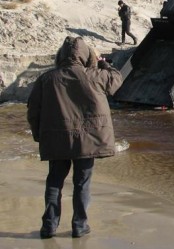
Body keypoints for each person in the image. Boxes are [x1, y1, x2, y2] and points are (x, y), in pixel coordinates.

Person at [27, 36, 123, 239]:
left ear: (61, 55)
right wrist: (102, 61)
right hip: (86, 141)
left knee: (54, 181)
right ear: (85, 55)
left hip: (56, 139)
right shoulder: (94, 75)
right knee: (82, 183)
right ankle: (79, 226)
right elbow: (116, 78)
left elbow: (33, 111)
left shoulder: (46, 79)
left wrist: (39, 136)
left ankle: (48, 226)